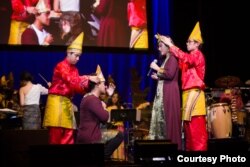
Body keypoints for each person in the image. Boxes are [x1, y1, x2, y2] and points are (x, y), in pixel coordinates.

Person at [43, 32, 100, 144]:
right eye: (76, 55)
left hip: (67, 103)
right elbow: (71, 80)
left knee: (69, 133)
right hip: (57, 102)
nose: (78, 59)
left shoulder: (75, 70)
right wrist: (88, 78)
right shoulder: (61, 66)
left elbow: (77, 88)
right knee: (56, 133)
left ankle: (67, 159)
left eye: (79, 56)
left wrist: (90, 85)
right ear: (68, 53)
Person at [160, 21, 208, 151]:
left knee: (196, 132)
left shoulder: (197, 55)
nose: (186, 43)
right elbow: (180, 59)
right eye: (186, 41)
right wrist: (169, 45)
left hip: (195, 95)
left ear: (197, 44)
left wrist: (171, 45)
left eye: (189, 41)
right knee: (188, 132)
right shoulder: (188, 57)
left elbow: (185, 58)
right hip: (187, 95)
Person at [76, 65, 124, 160]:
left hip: (88, 135)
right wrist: (106, 106)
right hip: (91, 137)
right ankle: (103, 157)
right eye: (103, 83)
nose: (105, 86)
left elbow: (99, 108)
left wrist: (109, 96)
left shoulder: (89, 98)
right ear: (97, 85)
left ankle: (102, 156)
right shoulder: (92, 100)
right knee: (119, 135)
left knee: (115, 134)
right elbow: (105, 118)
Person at [148, 34, 182, 150]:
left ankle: (172, 149)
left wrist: (157, 68)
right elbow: (167, 75)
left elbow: (170, 73)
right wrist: (158, 77)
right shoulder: (166, 59)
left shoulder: (172, 58)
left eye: (161, 45)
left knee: (169, 120)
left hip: (170, 93)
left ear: (168, 46)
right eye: (158, 46)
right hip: (164, 91)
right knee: (162, 120)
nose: (159, 48)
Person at [106, 91, 125, 160]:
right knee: (113, 145)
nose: (115, 99)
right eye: (113, 97)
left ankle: (120, 160)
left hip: (120, 128)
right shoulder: (108, 108)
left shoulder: (121, 108)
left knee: (120, 146)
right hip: (112, 129)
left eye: (116, 97)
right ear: (111, 98)